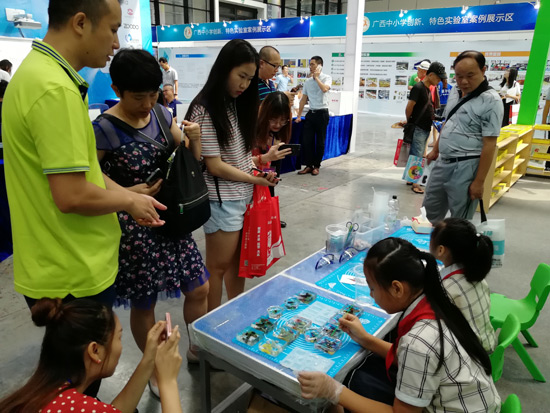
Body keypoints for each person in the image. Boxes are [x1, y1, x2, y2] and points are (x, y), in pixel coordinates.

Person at [2, 0, 165, 312]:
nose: (116, 43)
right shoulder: (55, 89)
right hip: (73, 268)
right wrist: (129, 201)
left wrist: (128, 195)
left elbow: (84, 171)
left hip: (55, 263)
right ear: (80, 23)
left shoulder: (38, 74)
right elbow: (72, 195)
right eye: (113, 29)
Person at [93, 49, 209, 394]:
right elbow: (89, 176)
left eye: (153, 94)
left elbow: (188, 162)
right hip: (136, 228)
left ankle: (197, 348)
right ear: (117, 89)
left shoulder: (161, 114)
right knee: (145, 303)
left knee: (199, 288)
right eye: (137, 97)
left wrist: (195, 139)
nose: (147, 104)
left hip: (172, 220)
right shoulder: (103, 129)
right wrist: (127, 194)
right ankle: (154, 369)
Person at [298, 238, 501, 412]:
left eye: (372, 288)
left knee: (348, 387)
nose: (371, 295)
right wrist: (365, 339)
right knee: (362, 373)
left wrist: (333, 391)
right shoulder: (435, 301)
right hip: (469, 398)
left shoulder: (419, 342)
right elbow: (406, 355)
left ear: (397, 288)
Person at [187, 39, 278, 311]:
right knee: (217, 268)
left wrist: (261, 163)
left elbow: (237, 158)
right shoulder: (205, 109)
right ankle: (213, 324)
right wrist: (255, 178)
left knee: (238, 265)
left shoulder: (235, 104)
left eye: (250, 79)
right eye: (241, 76)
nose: (245, 85)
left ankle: (234, 315)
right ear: (225, 69)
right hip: (222, 202)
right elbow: (214, 166)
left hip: (242, 198)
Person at [0, 298, 183, 413]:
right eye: (119, 337)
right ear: (94, 350)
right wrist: (168, 382)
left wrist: (150, 358)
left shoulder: (43, 393)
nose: (120, 345)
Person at [423, 50, 503, 223]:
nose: (464, 81)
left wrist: (479, 182)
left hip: (467, 167)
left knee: (459, 221)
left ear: (483, 70)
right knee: (428, 214)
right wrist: (436, 150)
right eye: (459, 76)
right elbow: (448, 122)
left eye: (470, 75)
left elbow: (490, 144)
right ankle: (431, 240)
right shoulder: (455, 91)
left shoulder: (491, 101)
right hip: (442, 162)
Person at [430, 218, 497, 352]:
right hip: (486, 342)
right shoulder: (474, 272)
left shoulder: (447, 289)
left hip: (471, 355)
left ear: (441, 250)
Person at [404, 61, 446, 194]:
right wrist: (410, 121)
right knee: (417, 155)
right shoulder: (418, 88)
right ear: (431, 75)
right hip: (418, 126)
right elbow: (409, 107)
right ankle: (415, 183)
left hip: (424, 126)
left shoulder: (427, 89)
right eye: (438, 78)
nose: (439, 81)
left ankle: (410, 179)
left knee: (416, 154)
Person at [254, 91, 293, 227]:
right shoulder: (254, 127)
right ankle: (263, 217)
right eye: (273, 119)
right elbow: (246, 160)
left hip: (271, 160)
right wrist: (265, 155)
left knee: (271, 182)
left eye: (283, 120)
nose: (278, 124)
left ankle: (270, 216)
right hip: (256, 164)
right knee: (260, 186)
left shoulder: (281, 129)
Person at [295, 56, 332, 176]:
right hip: (311, 113)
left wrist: (316, 78)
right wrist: (299, 115)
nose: (310, 67)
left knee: (320, 142)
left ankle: (316, 166)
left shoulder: (327, 78)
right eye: (310, 64)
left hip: (322, 113)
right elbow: (303, 99)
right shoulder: (307, 82)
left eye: (313, 64)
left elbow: (325, 89)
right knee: (307, 140)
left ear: (319, 66)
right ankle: (309, 165)